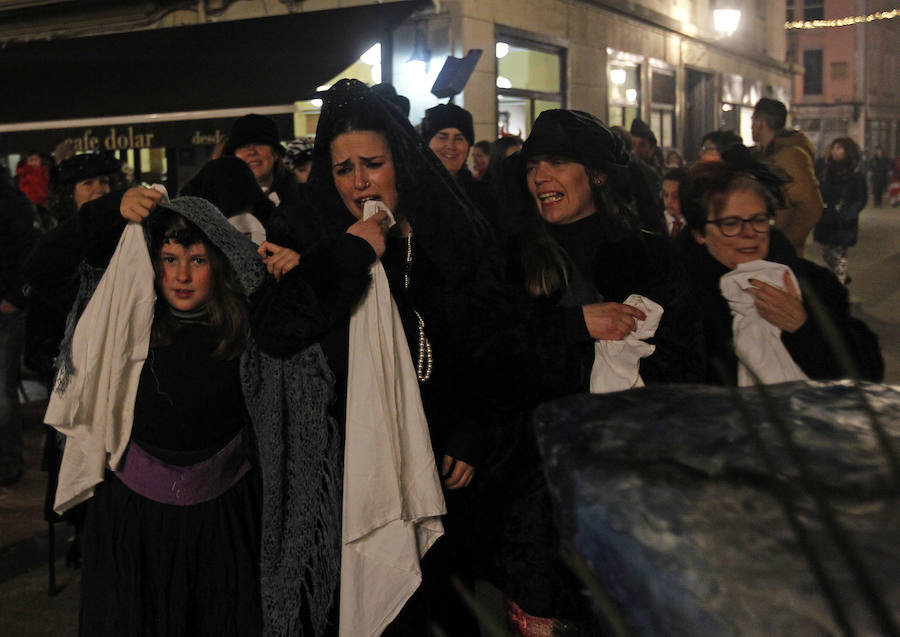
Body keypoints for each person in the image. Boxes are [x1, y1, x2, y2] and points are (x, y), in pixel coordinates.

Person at [251, 78, 496, 635]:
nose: (360, 181)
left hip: (443, 462)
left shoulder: (450, 233)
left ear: (401, 162)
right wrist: (351, 250)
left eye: (373, 163)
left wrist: (471, 431)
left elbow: (486, 345)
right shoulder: (308, 232)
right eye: (343, 169)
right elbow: (275, 329)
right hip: (349, 469)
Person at [479, 109, 704, 634]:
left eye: (557, 161)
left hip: (631, 494)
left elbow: (688, 366)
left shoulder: (651, 255)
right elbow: (486, 359)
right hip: (537, 501)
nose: (540, 176)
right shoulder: (512, 258)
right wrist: (575, 325)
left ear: (596, 174)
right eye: (534, 165)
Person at [25, 187, 268, 635]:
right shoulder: (125, 322)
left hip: (222, 520)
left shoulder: (247, 329)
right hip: (134, 520)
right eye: (169, 260)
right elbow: (42, 264)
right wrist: (106, 211)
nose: (181, 276)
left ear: (217, 265)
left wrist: (286, 264)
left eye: (196, 261)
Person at [675, 150, 883, 385]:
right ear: (700, 233)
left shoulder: (812, 284)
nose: (749, 233)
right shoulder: (675, 295)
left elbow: (868, 372)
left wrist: (805, 329)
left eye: (758, 220)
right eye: (731, 223)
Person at [0, 166, 42, 486]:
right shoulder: (15, 201)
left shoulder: (13, 202)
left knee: (3, 388)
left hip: (5, 311)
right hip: (8, 307)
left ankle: (8, 458)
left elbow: (32, 255)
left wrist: (15, 299)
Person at [751, 97, 823, 256]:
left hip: (781, 256)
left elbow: (812, 208)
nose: (751, 126)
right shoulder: (763, 154)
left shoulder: (790, 156)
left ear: (760, 122)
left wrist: (786, 240)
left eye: (753, 120)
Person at [421, 102, 502, 236]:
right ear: (427, 143)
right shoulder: (411, 192)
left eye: (459, 138)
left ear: (468, 146)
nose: (450, 146)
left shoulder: (486, 197)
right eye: (442, 137)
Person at [813, 137, 868, 286]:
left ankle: (839, 284)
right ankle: (840, 274)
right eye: (834, 148)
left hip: (843, 221)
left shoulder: (855, 174)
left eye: (839, 148)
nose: (835, 151)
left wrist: (849, 212)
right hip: (826, 218)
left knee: (840, 254)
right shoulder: (824, 170)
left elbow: (861, 198)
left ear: (847, 151)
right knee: (826, 253)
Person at [224, 113, 301, 208]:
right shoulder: (220, 205)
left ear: (275, 153)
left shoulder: (302, 200)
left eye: (259, 143)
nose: (251, 151)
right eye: (243, 146)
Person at [662, 167, 687, 237]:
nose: (669, 201)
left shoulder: (695, 228)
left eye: (675, 196)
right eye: (665, 195)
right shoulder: (655, 222)